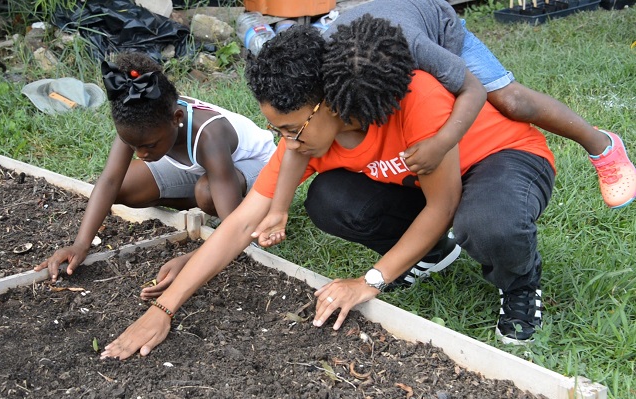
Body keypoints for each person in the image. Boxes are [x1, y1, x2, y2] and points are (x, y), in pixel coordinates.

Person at [100, 17, 557, 360]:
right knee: (331, 199)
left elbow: (444, 204)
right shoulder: (307, 137)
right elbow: (242, 221)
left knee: (487, 223)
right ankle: (434, 252)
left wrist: (369, 281)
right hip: (426, 180)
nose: (288, 142)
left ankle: (520, 282)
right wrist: (165, 310)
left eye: (293, 129)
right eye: (278, 130)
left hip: (501, 159)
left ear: (330, 101)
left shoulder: (415, 100)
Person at [251, 0, 636, 247]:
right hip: (377, 40)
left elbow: (473, 91)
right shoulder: (324, 74)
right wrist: (279, 207)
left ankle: (602, 147)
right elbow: (295, 147)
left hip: (436, 26)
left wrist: (441, 142)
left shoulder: (416, 48)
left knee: (512, 100)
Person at [35, 52, 276, 287]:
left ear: (176, 118)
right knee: (124, 188)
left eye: (149, 146)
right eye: (133, 145)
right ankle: (214, 203)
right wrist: (80, 245)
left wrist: (192, 260)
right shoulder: (140, 123)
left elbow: (235, 229)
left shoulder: (209, 135)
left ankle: (251, 209)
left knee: (208, 192)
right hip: (206, 170)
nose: (141, 154)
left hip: (257, 167)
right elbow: (110, 181)